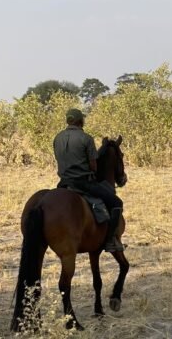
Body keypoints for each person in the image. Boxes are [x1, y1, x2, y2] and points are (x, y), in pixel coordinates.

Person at [53, 108, 124, 252]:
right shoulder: (86, 138)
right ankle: (110, 240)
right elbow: (93, 166)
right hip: (83, 183)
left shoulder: (57, 138)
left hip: (63, 182)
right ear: (81, 121)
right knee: (117, 202)